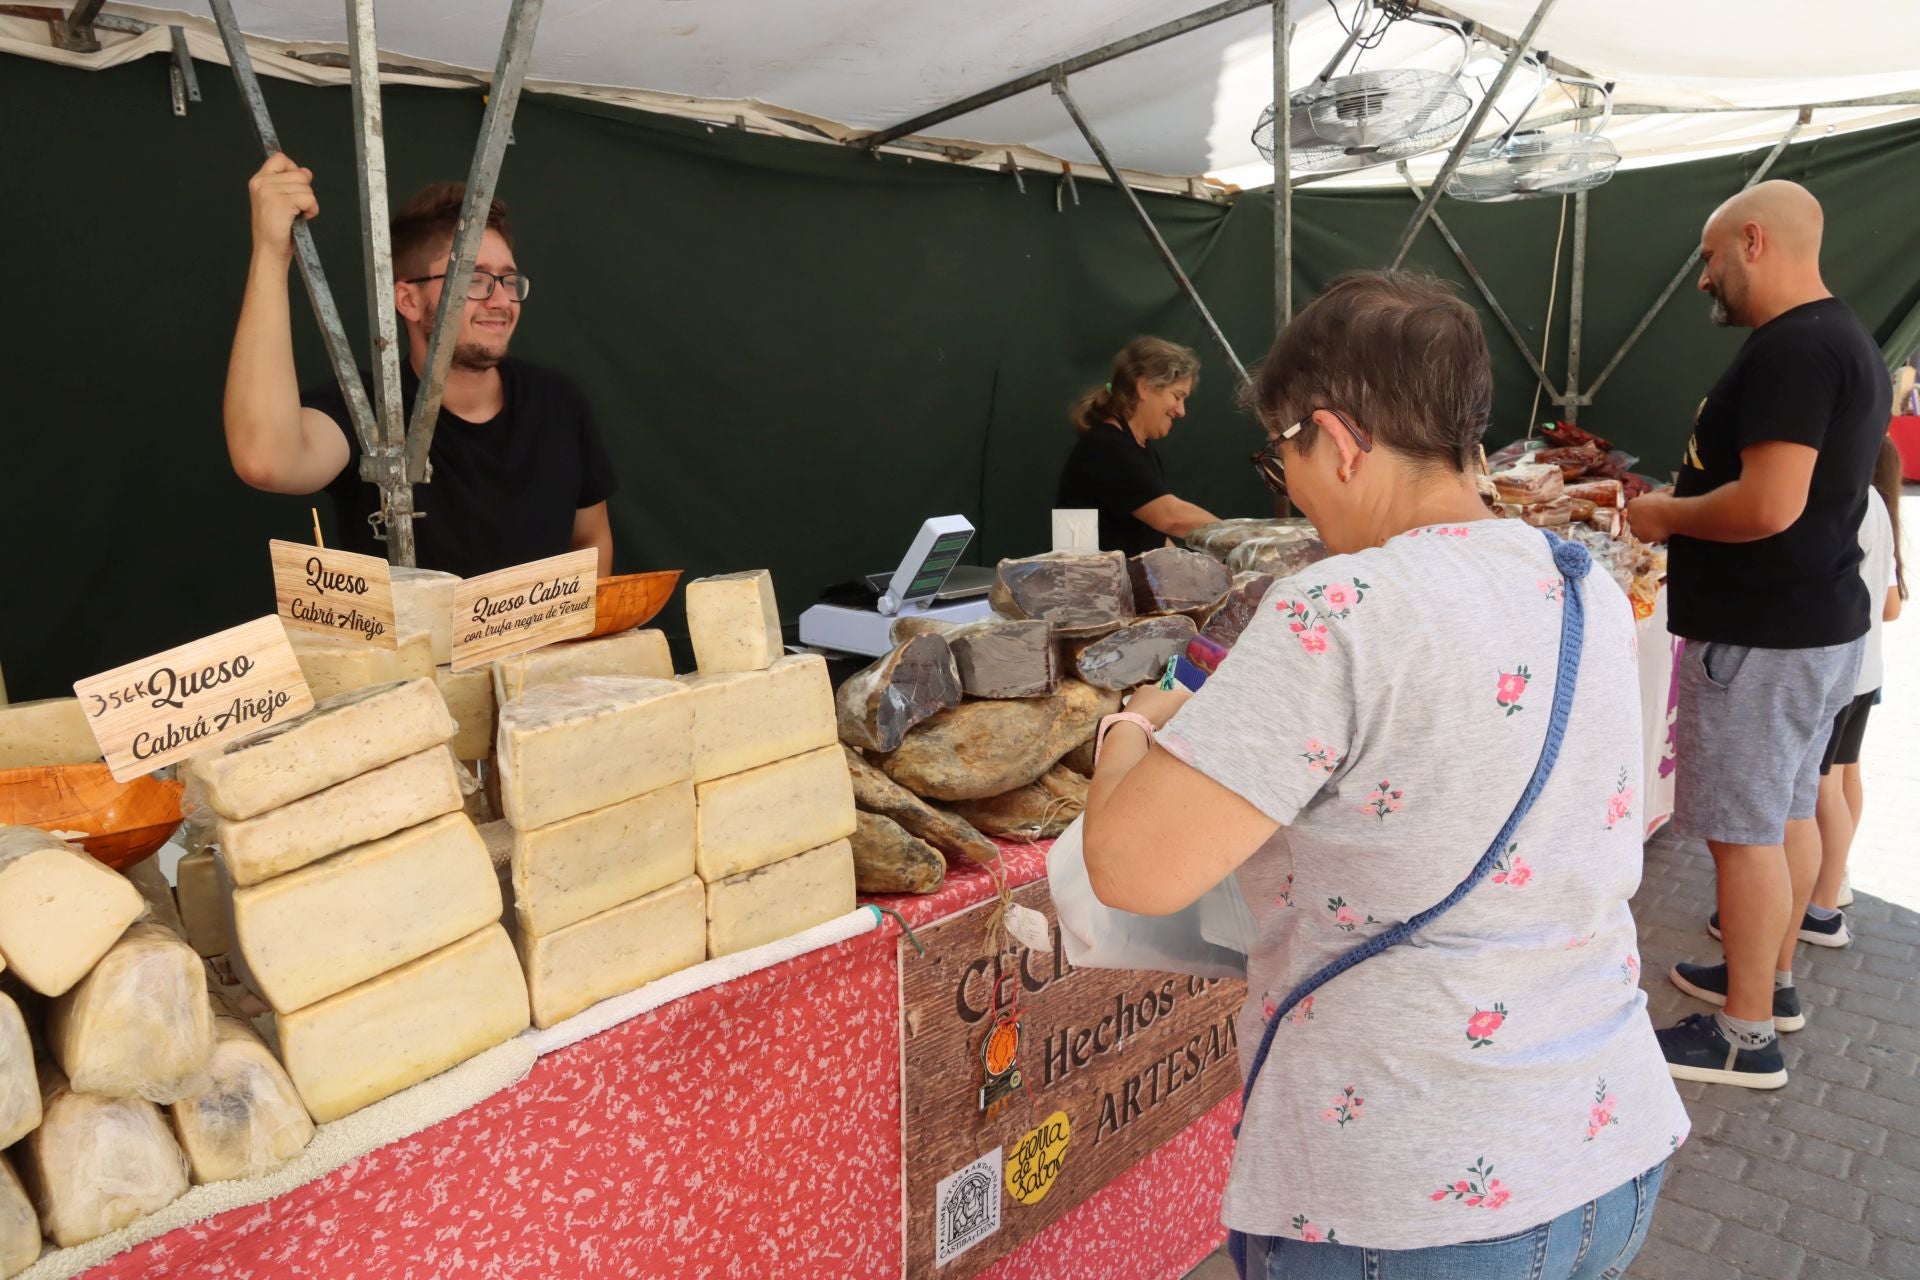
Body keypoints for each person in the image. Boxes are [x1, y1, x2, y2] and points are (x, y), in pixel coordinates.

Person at [1083, 272, 1682, 1277]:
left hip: (1410, 1198)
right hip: (1604, 1139)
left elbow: (1131, 867)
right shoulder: (1583, 580)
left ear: (1340, 439)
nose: (1293, 487)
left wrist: (1132, 729)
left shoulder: (1339, 606)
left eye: (1286, 455)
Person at [1626, 180, 1888, 1088]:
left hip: (1764, 636)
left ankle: (1744, 1037)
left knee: (1744, 835)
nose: (1704, 279)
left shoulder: (1796, 350)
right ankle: (1764, 985)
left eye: (1708, 258)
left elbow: (1769, 504)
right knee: (1779, 814)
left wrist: (1665, 513)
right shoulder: (1836, 336)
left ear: (1752, 240)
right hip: (1810, 626)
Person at [224, 154, 616, 578]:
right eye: (473, 279)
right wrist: (270, 251)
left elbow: (591, 539)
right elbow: (265, 460)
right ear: (408, 300)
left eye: (508, 280)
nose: (501, 301)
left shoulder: (557, 402)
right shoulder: (367, 411)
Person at [1800, 437, 1906, 932]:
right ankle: (1831, 885)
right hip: (1864, 669)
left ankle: (1820, 906)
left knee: (1823, 788)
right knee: (1840, 780)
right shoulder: (1877, 503)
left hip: (1841, 666)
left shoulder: (1847, 502)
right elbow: (1890, 602)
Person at [1057, 338, 1219, 555]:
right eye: (1177, 396)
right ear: (1144, 387)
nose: (1181, 411)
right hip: (1090, 586)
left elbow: (1156, 538)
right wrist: (1238, 536)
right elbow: (1170, 517)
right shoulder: (1106, 448)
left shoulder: (1141, 450)